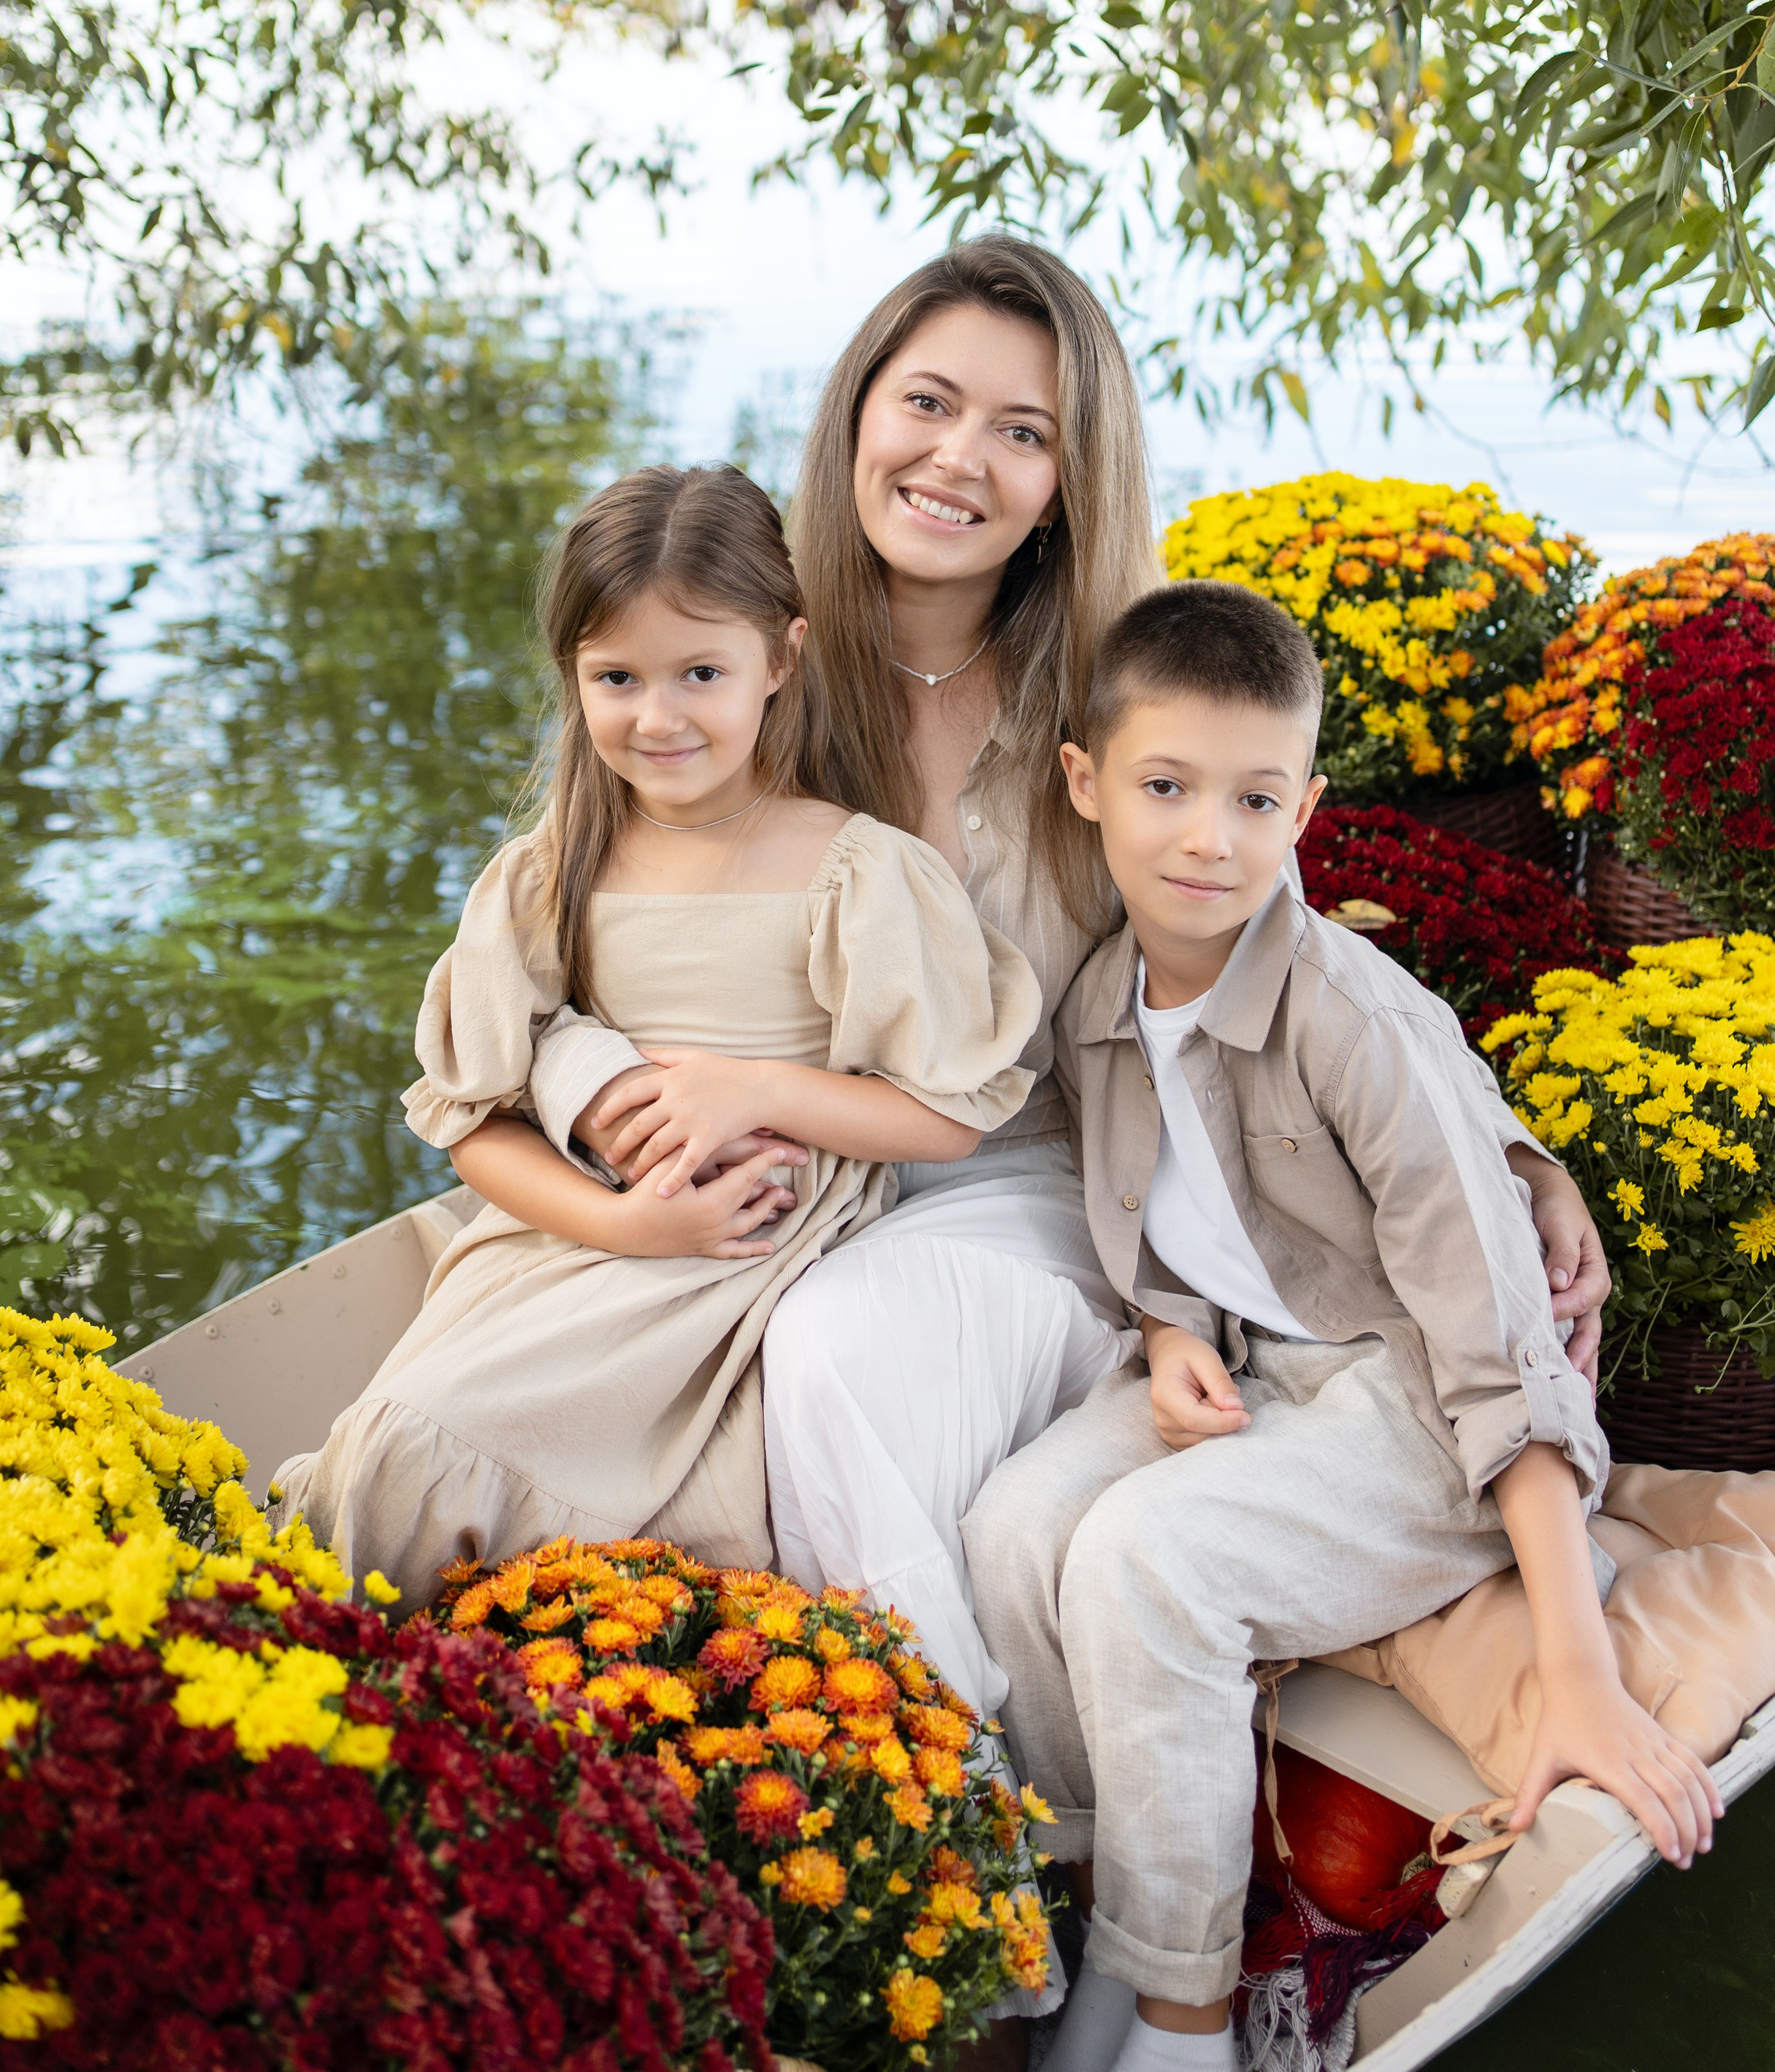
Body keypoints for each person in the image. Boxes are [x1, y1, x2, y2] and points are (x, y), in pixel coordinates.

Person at [557, 238, 1605, 1718]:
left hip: (1044, 1183)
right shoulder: (734, 653)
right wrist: (607, 1119)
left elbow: (1282, 953)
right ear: (857, 408)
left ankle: (950, 1818)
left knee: (840, 1349)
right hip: (777, 1170)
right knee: (531, 1388)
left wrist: (1506, 1157)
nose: (956, 458)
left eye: (1021, 431)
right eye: (925, 402)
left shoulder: (1110, 692)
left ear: (1066, 476)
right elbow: (559, 939)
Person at [961, 582, 1722, 2072]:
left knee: (1142, 1561)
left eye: (1253, 799)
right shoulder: (1096, 1001)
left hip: (1409, 1414)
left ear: (1302, 805)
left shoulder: (1352, 1024)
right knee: (1009, 1523)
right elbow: (1164, 1214)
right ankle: (1119, 1895)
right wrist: (1163, 1326)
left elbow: (1499, 1351)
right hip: (1250, 1371)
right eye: (1165, 787)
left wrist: (1575, 1666)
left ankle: (1182, 2022)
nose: (1207, 838)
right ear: (1084, 785)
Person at [272, 462, 1039, 1610]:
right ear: (573, 675)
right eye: (616, 677)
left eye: (701, 673)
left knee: (636, 1491)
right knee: (397, 1440)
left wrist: (752, 1091)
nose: (658, 715)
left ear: (781, 660)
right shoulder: (551, 872)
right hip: (581, 1229)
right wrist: (625, 1225)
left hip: (745, 1243)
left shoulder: (852, 867)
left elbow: (945, 1118)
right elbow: (472, 1123)